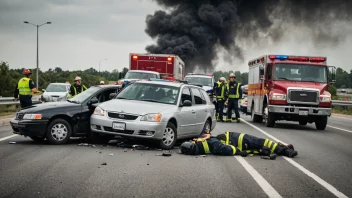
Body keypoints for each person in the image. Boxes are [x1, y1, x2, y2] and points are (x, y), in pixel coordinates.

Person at [180, 131, 298, 158]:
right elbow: (227, 149)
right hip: (239, 140)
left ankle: (282, 148)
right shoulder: (210, 144)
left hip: (238, 140)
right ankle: (285, 150)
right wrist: (237, 151)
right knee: (262, 143)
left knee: (261, 144)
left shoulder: (205, 146)